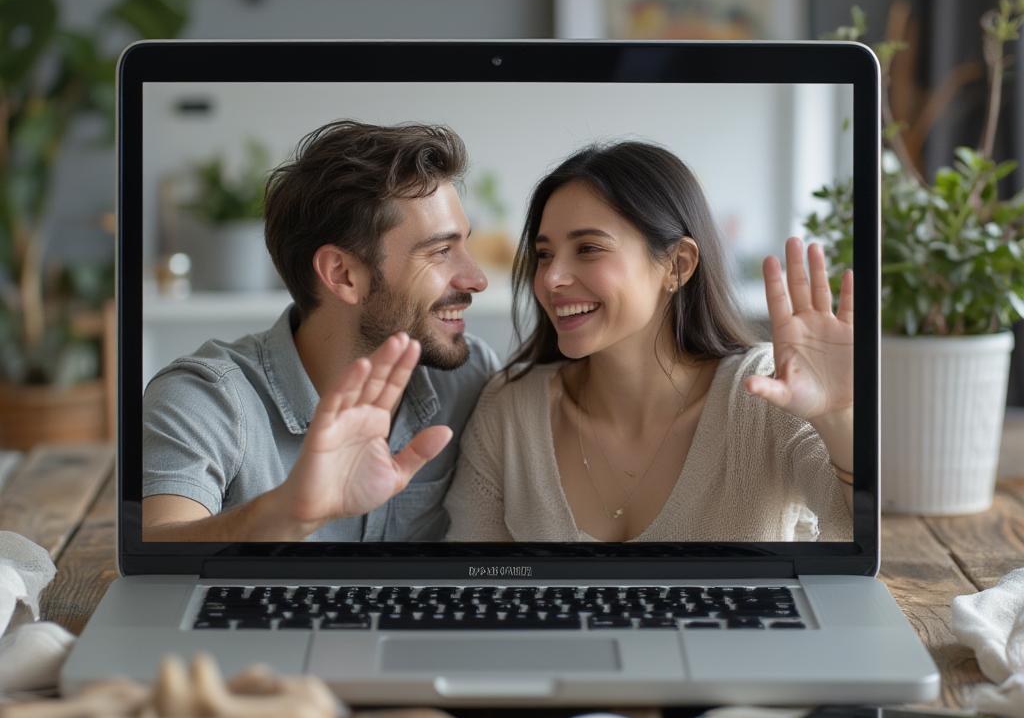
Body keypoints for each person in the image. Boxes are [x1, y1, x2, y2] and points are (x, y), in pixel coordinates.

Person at [443, 141, 854, 543]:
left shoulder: (768, 391)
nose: (551, 279)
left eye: (588, 249)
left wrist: (838, 418)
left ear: (678, 265)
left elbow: (857, 535)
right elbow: (472, 579)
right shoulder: (510, 409)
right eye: (545, 254)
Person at [142, 121, 499, 541]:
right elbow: (157, 548)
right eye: (440, 252)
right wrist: (287, 513)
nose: (476, 279)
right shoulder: (206, 399)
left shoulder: (468, 378)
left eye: (464, 246)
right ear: (342, 274)